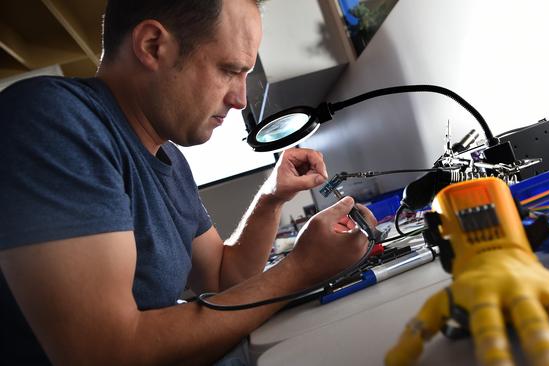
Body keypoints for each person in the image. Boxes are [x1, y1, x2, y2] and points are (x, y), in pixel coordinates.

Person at [0, 0, 375, 364]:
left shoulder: (171, 159)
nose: (241, 99)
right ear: (153, 46)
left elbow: (223, 279)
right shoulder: (54, 120)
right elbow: (104, 351)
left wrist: (272, 198)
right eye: (229, 70)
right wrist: (300, 270)